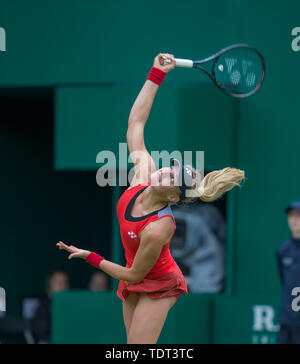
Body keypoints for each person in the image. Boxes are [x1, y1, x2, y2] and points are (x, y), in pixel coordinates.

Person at [56, 53, 245, 344]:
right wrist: (156, 74)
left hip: (159, 283)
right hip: (132, 276)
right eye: (172, 168)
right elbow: (136, 123)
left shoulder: (160, 227)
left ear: (173, 195)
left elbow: (133, 275)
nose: (166, 172)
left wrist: (89, 257)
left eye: (172, 178)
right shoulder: (143, 174)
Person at [277, 200, 300, 344]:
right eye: (291, 216)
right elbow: (284, 281)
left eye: (298, 216)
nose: (294, 220)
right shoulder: (282, 250)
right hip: (287, 321)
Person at [31, 271, 70, 344]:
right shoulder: (42, 305)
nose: (61, 285)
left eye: (64, 282)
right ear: (49, 285)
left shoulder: (72, 306)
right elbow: (41, 332)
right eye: (57, 282)